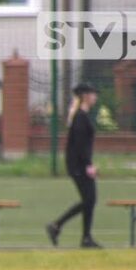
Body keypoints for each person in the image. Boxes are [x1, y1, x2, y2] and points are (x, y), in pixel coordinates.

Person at [47, 82, 102, 248]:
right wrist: (88, 166)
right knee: (89, 199)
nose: (95, 97)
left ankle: (84, 237)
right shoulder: (80, 117)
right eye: (93, 93)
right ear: (85, 96)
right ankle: (57, 226)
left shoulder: (83, 116)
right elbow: (79, 145)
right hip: (78, 167)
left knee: (89, 200)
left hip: (80, 165)